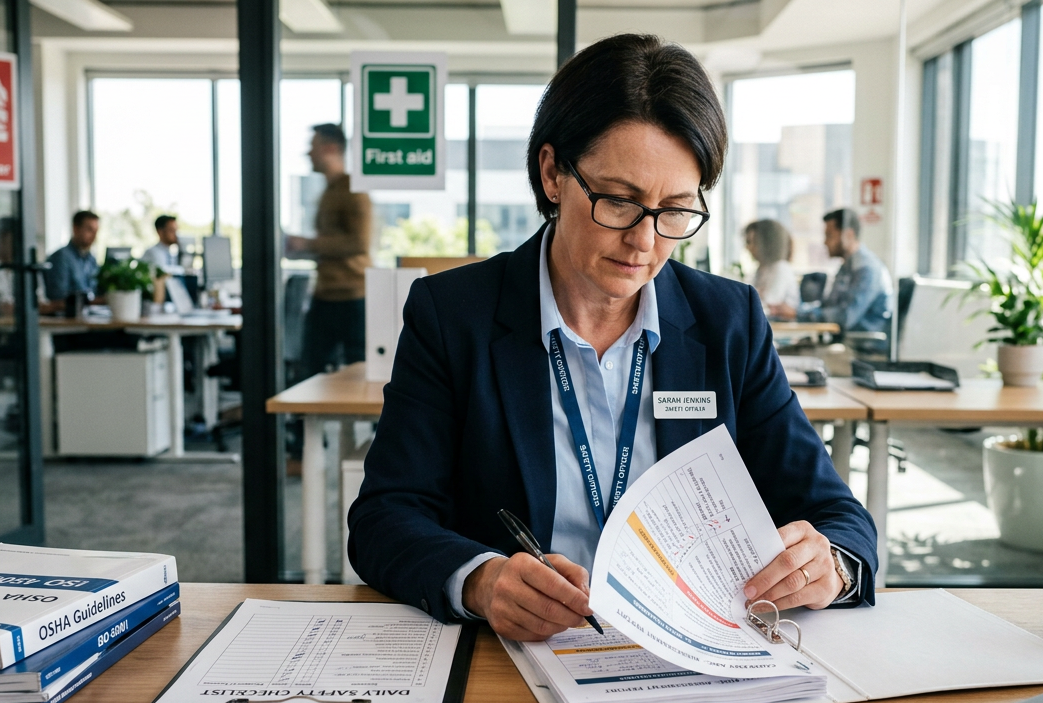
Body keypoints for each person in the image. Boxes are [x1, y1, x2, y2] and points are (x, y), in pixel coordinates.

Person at [348, 34, 877, 642]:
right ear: (552, 174)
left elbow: (839, 517)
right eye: (620, 202)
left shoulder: (727, 320)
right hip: (519, 658)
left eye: (676, 210)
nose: (645, 242)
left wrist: (828, 565)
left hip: (696, 658)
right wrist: (482, 580)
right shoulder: (455, 314)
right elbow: (385, 516)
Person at [286, 123, 373, 373]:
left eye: (312, 147)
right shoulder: (329, 190)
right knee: (310, 368)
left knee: (358, 369)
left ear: (330, 148)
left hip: (352, 295)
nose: (308, 154)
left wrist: (308, 243)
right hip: (326, 293)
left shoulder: (353, 190)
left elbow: (359, 242)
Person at [798, 208, 893, 341]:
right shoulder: (847, 267)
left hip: (862, 346)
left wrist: (799, 314)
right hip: (844, 341)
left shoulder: (866, 269)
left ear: (848, 235)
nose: (825, 242)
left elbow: (846, 317)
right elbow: (829, 305)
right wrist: (801, 311)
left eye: (829, 235)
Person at [743, 219, 797, 319]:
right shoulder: (761, 269)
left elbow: (768, 303)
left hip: (780, 329)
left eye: (751, 242)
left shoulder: (781, 268)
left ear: (766, 243)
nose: (747, 247)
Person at [44, 210, 101, 305]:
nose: (94, 236)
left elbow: (96, 290)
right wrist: (92, 302)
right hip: (69, 317)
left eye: (96, 231)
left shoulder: (91, 259)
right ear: (76, 229)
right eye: (90, 230)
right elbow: (58, 297)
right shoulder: (61, 258)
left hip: (90, 314)